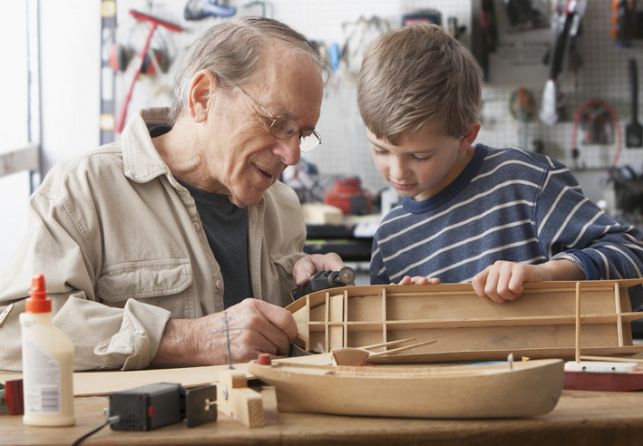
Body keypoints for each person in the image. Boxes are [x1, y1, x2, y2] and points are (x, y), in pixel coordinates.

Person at [0, 17, 343, 371]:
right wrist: (186, 339)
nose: (292, 156)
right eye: (277, 123)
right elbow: (12, 333)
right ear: (202, 97)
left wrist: (317, 298)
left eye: (301, 135)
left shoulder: (283, 206)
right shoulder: (83, 189)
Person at [357, 23, 643, 305]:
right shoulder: (390, 240)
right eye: (380, 150)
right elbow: (383, 345)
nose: (396, 172)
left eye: (420, 156)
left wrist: (547, 274)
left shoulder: (526, 182)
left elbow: (632, 256)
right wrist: (411, 313)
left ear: (466, 135)